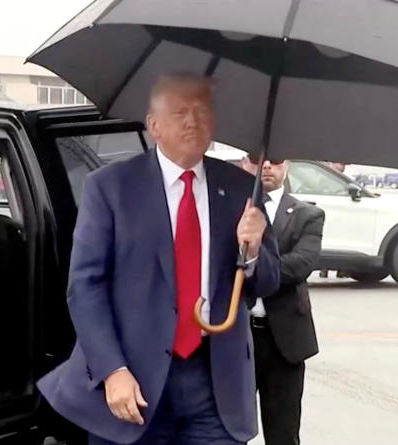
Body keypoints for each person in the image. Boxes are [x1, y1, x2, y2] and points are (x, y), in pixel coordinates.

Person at [36, 73, 280, 445]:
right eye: (180, 112)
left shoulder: (240, 190)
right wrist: (111, 370)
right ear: (153, 126)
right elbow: (85, 288)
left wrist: (251, 252)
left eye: (201, 112)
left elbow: (268, 282)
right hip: (133, 381)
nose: (192, 121)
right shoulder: (111, 187)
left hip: (215, 384)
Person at [240, 155, 325, 445]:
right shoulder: (231, 211)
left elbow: (301, 265)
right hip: (239, 338)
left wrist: (250, 265)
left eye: (274, 161)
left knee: (283, 433)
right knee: (230, 430)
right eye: (257, 159)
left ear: (286, 167)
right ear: (244, 164)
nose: (266, 166)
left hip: (285, 343)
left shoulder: (308, 215)